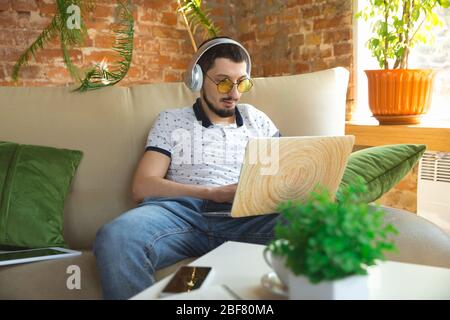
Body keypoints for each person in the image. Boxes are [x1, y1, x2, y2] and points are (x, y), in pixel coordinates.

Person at [93, 37, 281, 300]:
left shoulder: (257, 120)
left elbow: (279, 175)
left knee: (317, 224)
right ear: (197, 78)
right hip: (182, 214)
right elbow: (142, 186)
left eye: (241, 83)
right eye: (224, 81)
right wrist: (211, 193)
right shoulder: (171, 120)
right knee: (116, 237)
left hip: (247, 217)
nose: (234, 93)